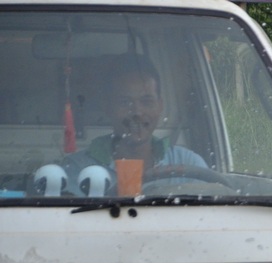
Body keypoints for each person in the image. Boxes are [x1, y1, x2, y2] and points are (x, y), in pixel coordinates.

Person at [62, 55, 207, 195]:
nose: (137, 112)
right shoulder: (78, 169)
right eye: (125, 102)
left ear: (160, 106)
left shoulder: (187, 164)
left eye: (146, 101)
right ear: (107, 107)